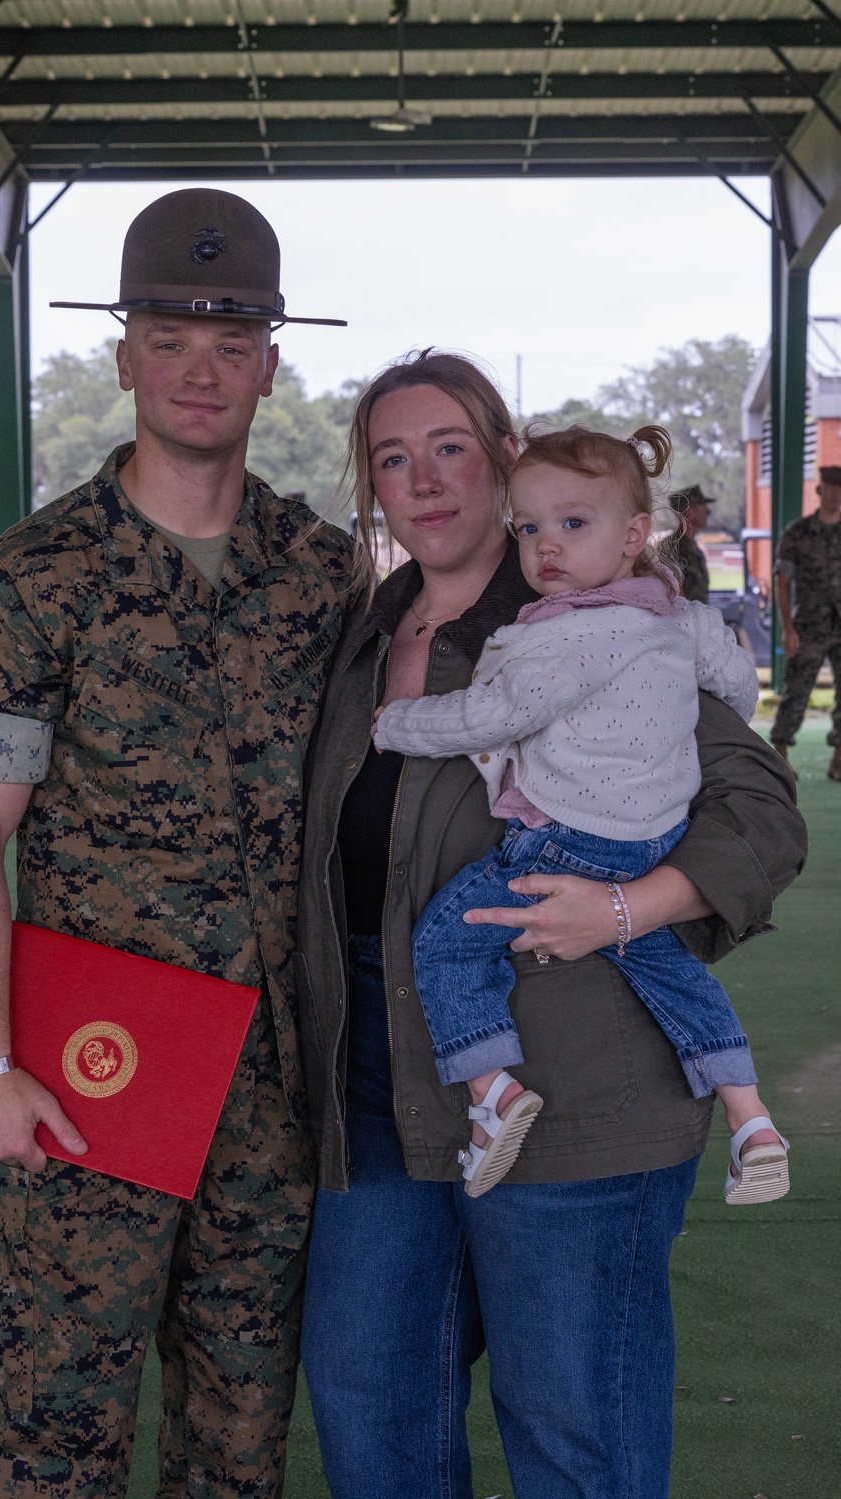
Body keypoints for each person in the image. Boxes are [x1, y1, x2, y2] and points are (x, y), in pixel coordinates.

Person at [295, 351, 807, 1499]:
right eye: (391, 456)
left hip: (580, 1079)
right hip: (376, 1080)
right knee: (368, 1403)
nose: (421, 479)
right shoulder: (355, 641)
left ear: (505, 456)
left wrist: (628, 905)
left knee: (574, 1427)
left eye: (449, 448)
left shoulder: (605, 624)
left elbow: (761, 817)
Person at [0, 188, 353, 1498]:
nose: (200, 368)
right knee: (55, 1434)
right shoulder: (33, 576)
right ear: (124, 357)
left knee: (237, 1444)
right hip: (86, 1082)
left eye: (231, 341)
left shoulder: (325, 573)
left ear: (271, 360)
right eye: (169, 338)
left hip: (273, 1097)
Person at [373, 422, 788, 1205]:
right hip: (651, 834)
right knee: (670, 971)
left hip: (566, 841)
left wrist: (394, 723)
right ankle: (751, 1113)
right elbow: (736, 679)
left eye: (571, 524)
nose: (546, 548)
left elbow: (489, 716)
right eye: (529, 528)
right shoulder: (677, 616)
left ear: (635, 534)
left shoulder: (567, 635)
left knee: (453, 939)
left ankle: (492, 1087)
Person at [770, 464, 841, 780]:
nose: (836, 493)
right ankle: (781, 752)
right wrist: (788, 627)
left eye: (840, 487)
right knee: (796, 692)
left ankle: (839, 758)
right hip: (809, 627)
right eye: (830, 487)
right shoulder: (797, 533)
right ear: (819, 490)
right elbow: (782, 581)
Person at [669, 483, 713, 603]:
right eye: (703, 506)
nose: (708, 512)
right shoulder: (672, 550)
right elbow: (674, 597)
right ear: (689, 511)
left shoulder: (693, 548)